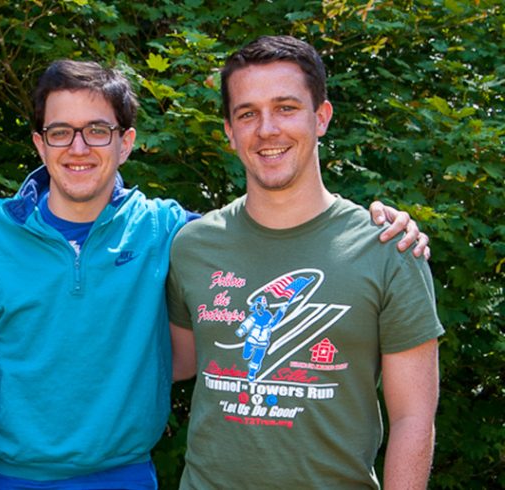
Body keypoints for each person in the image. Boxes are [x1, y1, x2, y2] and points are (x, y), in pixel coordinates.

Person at [0, 60, 428, 488]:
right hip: (10, 474)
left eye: (97, 130)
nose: (78, 147)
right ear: (39, 143)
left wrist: (384, 224)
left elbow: (271, 228)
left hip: (124, 473)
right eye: (61, 131)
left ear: (126, 143)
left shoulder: (168, 230)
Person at [166, 35, 442, 488]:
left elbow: (413, 417)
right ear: (229, 132)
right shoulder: (193, 245)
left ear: (322, 118)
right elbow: (175, 362)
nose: (267, 129)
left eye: (286, 108)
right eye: (247, 113)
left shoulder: (388, 247)